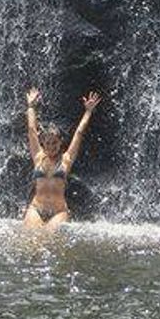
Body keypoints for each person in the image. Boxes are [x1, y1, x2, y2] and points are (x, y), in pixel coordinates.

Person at [23, 87, 101, 229]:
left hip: (58, 212)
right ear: (43, 144)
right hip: (36, 208)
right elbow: (31, 130)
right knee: (30, 241)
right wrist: (31, 106)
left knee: (50, 241)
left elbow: (79, 133)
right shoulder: (38, 156)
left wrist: (88, 111)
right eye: (47, 143)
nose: (51, 146)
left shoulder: (66, 159)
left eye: (54, 143)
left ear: (60, 143)